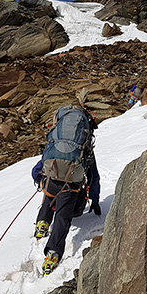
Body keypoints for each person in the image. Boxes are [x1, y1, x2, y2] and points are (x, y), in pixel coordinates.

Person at [32, 105, 101, 275]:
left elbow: (37, 168)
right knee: (63, 217)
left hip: (51, 181)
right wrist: (95, 200)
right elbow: (93, 178)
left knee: (49, 196)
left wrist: (40, 180)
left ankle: (42, 222)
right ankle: (53, 253)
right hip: (70, 185)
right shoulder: (83, 149)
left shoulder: (55, 142)